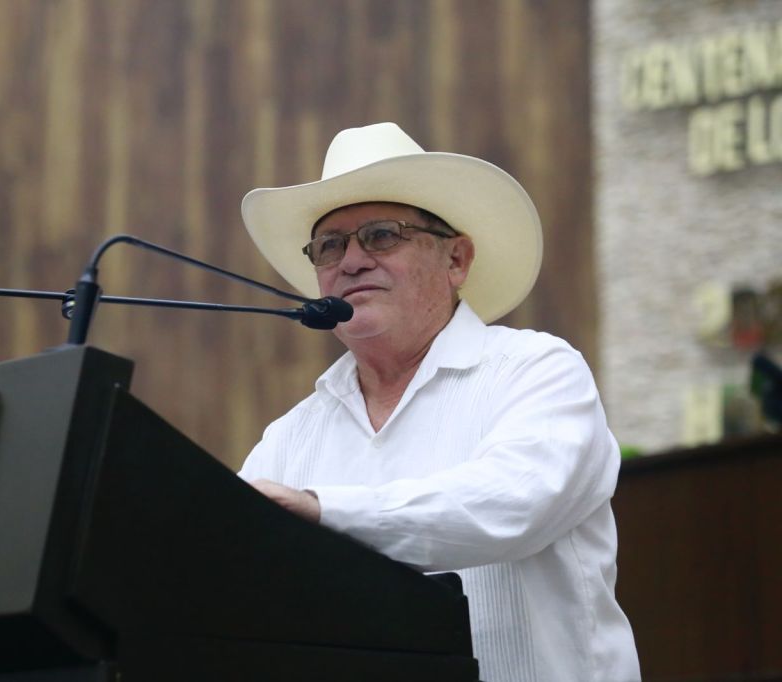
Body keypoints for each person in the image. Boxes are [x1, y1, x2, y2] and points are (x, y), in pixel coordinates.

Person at [237, 122, 640, 682]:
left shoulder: (538, 370)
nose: (351, 261)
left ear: (457, 260)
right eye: (330, 246)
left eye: (382, 236)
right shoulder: (290, 437)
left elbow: (511, 504)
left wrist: (321, 510)